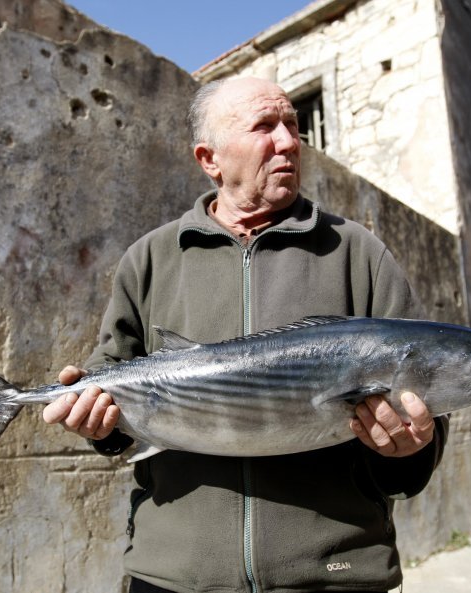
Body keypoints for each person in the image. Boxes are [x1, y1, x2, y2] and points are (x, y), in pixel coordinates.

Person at [42, 77, 448, 593]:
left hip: (335, 576)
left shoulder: (359, 253)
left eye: (293, 125)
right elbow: (114, 394)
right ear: (210, 159)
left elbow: (428, 415)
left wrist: (410, 449)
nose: (288, 141)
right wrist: (99, 426)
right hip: (173, 576)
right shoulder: (149, 258)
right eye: (264, 126)